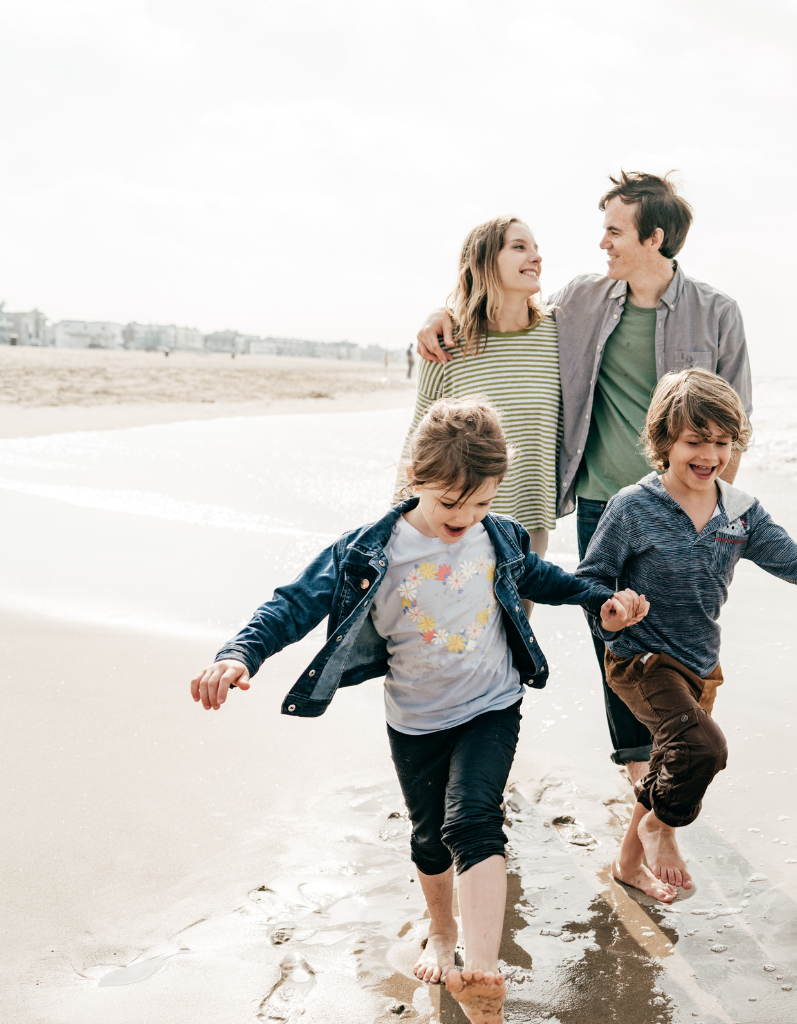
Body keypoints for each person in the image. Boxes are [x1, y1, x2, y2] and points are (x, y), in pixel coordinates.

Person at [189, 398, 650, 1024]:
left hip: (492, 704)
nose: (465, 517)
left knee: (474, 820)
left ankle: (481, 970)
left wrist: (602, 601)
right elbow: (293, 603)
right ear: (415, 478)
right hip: (416, 718)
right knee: (430, 839)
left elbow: (548, 580)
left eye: (481, 502)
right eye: (450, 502)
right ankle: (441, 928)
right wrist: (240, 653)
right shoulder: (369, 550)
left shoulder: (499, 537)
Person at [416, 172, 753, 790]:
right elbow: (503, 310)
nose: (602, 243)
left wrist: (714, 514)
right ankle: (640, 771)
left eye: (614, 231)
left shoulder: (717, 313)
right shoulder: (581, 301)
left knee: (682, 637)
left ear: (654, 238)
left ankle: (679, 757)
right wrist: (441, 313)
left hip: (682, 505)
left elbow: (738, 421)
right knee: (614, 636)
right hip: (603, 503)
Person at [575, 369, 797, 901]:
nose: (710, 456)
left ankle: (627, 863)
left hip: (700, 662)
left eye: (722, 443)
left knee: (673, 759)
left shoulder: (740, 514)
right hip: (639, 657)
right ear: (664, 441)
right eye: (695, 441)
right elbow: (590, 579)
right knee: (703, 748)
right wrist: (609, 616)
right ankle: (660, 828)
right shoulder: (633, 506)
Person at [399, 216, 560, 618]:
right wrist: (398, 523)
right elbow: (419, 437)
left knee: (512, 639)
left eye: (536, 248)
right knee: (448, 634)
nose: (536, 257)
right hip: (457, 518)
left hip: (529, 522)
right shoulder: (447, 342)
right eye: (519, 246)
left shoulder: (558, 333)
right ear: (485, 260)